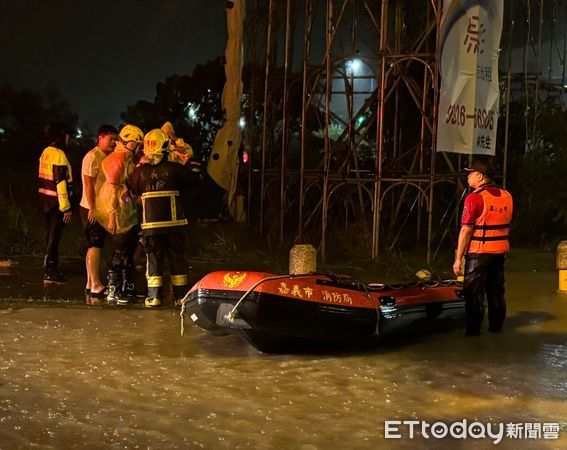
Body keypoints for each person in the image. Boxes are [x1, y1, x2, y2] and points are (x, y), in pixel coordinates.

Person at [127, 128, 200, 308]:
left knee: (153, 260)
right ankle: (180, 297)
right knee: (177, 260)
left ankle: (153, 297)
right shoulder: (175, 169)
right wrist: (189, 162)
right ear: (165, 146)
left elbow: (131, 187)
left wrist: (139, 166)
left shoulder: (139, 172)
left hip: (151, 227)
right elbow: (193, 180)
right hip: (174, 226)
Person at [453, 158, 513, 336]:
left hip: (479, 253)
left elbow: (466, 230)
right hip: (499, 252)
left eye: (470, 173)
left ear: (480, 176)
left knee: (473, 295)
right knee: (496, 292)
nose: (468, 177)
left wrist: (458, 258)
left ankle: (472, 333)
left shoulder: (474, 198)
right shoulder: (507, 196)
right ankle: (496, 329)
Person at [95, 124, 144, 305]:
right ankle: (115, 288)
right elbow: (115, 189)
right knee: (120, 249)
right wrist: (113, 214)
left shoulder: (126, 157)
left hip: (125, 207)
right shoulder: (119, 158)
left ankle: (124, 286)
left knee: (127, 248)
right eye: (136, 143)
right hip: (117, 208)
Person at [80, 124, 118, 302]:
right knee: (95, 244)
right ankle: (95, 284)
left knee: (94, 244)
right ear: (100, 138)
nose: (113, 142)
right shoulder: (92, 157)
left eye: (115, 139)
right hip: (91, 208)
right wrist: (93, 208)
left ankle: (90, 283)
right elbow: (88, 184)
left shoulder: (108, 156)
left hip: (101, 207)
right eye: (111, 139)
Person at [38, 123, 73, 284]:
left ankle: (49, 269)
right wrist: (66, 207)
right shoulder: (59, 155)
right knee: (54, 237)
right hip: (57, 203)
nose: (69, 140)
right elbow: (60, 182)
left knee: (50, 236)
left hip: (46, 201)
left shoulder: (45, 152)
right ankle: (51, 271)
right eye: (67, 136)